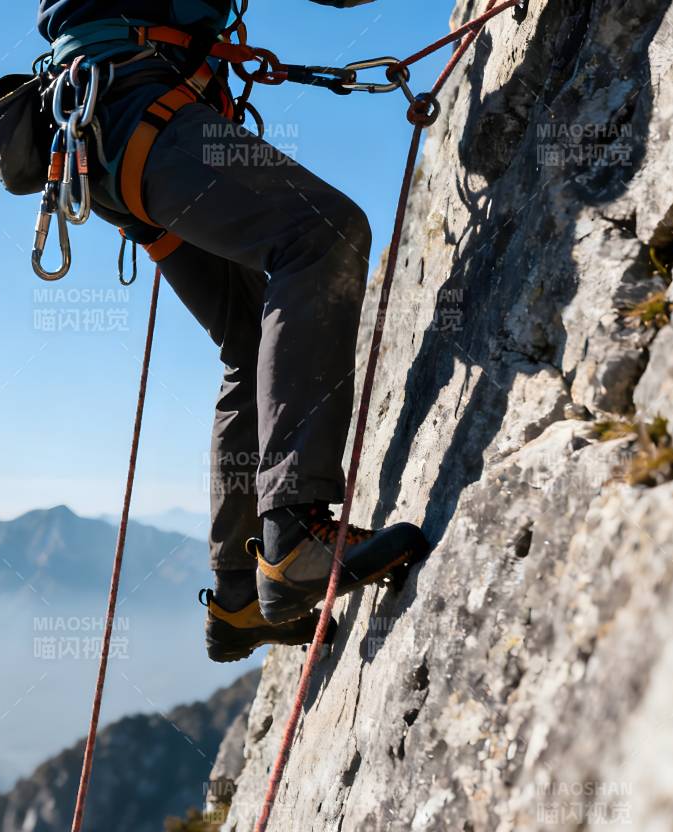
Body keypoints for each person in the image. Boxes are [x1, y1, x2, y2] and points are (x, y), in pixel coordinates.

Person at [36, 0, 429, 662]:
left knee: (251, 342)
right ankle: (296, 532)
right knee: (320, 234)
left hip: (112, 122)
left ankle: (242, 595)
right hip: (139, 109)